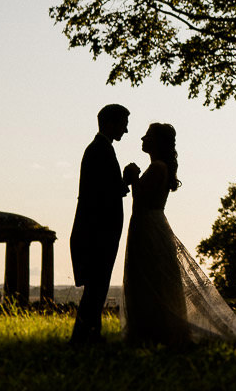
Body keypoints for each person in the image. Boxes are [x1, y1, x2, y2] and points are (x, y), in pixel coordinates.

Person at [121, 122, 236, 345]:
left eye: (147, 136)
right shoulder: (159, 166)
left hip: (149, 224)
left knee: (151, 276)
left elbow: (141, 199)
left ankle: (157, 333)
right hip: (145, 223)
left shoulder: (158, 167)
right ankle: (149, 332)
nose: (142, 139)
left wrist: (132, 179)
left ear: (157, 141)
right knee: (146, 277)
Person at [70, 103, 139, 345]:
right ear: (110, 123)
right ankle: (81, 338)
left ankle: (90, 336)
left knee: (96, 287)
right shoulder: (100, 150)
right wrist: (127, 180)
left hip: (96, 230)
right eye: (124, 124)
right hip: (97, 232)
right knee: (96, 288)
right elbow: (102, 193)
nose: (126, 131)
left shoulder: (100, 149)